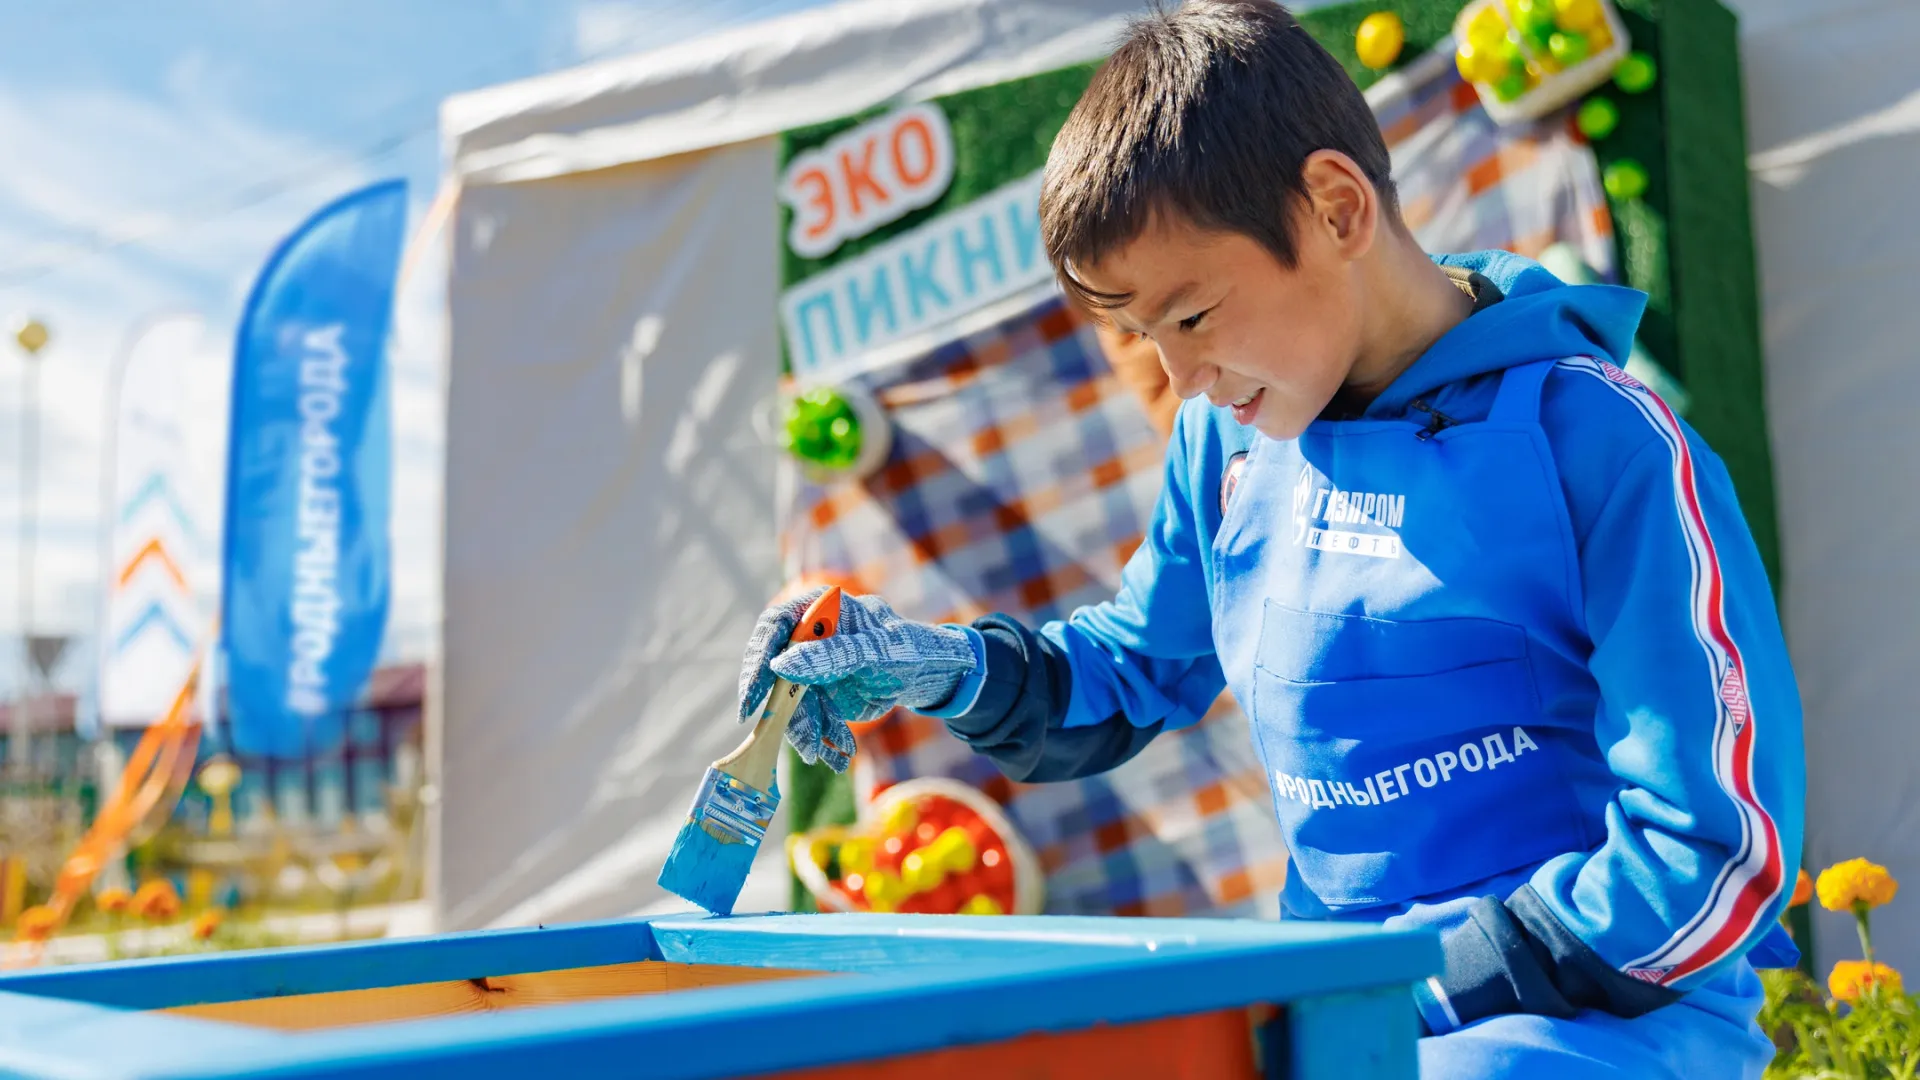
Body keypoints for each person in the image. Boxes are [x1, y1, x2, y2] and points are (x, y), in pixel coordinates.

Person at [734, 2, 1804, 1075]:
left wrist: (1408, 989)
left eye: (1191, 317)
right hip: (1342, 1017)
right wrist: (940, 667)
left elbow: (1714, 849)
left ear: (1337, 209)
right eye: (1142, 337)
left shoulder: (1602, 443)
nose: (1179, 378)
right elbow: (1129, 669)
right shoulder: (1225, 442)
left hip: (1596, 1033)